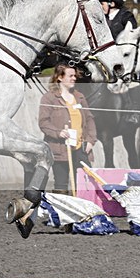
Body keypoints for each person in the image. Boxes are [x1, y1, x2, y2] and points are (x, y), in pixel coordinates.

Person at [39, 64, 97, 193]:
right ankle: (62, 211)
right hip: (60, 150)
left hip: (81, 149)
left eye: (75, 76)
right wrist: (58, 132)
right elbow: (43, 122)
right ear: (60, 77)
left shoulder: (79, 97)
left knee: (85, 186)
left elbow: (89, 119)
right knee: (61, 185)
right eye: (70, 76)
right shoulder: (49, 98)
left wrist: (91, 140)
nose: (74, 78)